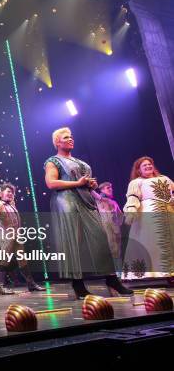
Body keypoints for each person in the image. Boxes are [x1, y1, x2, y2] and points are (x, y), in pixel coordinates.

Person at [44, 127, 132, 299]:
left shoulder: (81, 162)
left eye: (71, 137)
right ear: (57, 142)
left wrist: (90, 185)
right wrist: (77, 183)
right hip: (66, 201)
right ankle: (78, 285)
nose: (70, 139)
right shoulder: (53, 161)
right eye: (66, 137)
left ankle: (111, 279)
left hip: (86, 201)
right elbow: (51, 183)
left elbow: (84, 183)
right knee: (74, 241)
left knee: (100, 237)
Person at [0, 182, 46, 295]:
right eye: (8, 191)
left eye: (12, 192)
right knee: (4, 260)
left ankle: (31, 284)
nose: (11, 194)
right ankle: (2, 287)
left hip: (16, 237)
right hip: (6, 237)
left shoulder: (11, 205)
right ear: (1, 193)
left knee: (22, 260)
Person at [123, 157, 173, 278]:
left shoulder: (164, 178)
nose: (148, 166)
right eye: (144, 165)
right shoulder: (136, 182)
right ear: (139, 170)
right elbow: (132, 198)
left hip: (168, 211)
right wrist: (131, 211)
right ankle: (156, 272)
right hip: (149, 211)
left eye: (149, 164)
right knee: (152, 241)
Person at [91, 182, 124, 273]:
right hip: (107, 228)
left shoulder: (113, 202)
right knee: (112, 249)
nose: (110, 189)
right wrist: (89, 186)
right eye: (107, 188)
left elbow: (120, 216)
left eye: (111, 187)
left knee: (117, 251)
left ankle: (119, 272)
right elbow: (94, 193)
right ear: (101, 190)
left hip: (116, 229)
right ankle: (116, 273)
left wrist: (118, 224)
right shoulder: (101, 200)